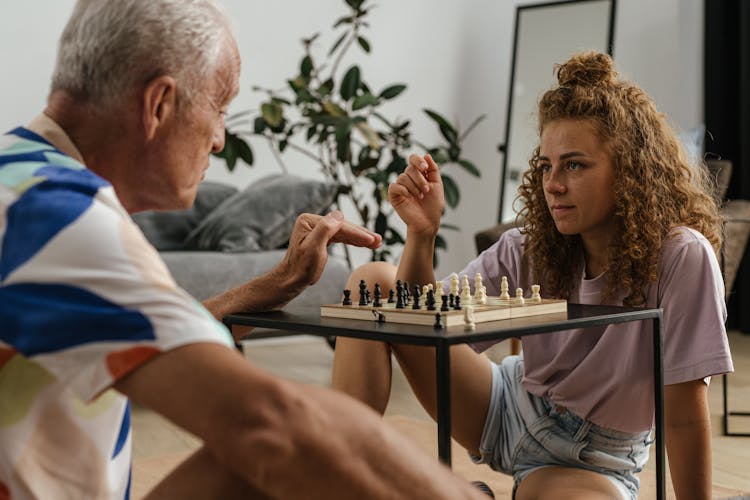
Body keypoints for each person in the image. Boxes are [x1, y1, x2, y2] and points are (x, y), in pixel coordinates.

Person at [0, 1, 490, 498]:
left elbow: (145, 333)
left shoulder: (20, 179)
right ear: (159, 105)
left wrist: (280, 283)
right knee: (296, 438)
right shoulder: (61, 220)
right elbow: (275, 424)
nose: (220, 139)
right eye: (220, 107)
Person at [332, 51, 734, 500]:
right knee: (373, 284)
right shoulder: (528, 245)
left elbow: (683, 414)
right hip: (503, 403)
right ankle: (335, 475)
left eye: (574, 165)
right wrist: (421, 235)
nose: (553, 184)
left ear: (629, 172)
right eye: (546, 166)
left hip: (589, 457)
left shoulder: (681, 255)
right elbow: (426, 323)